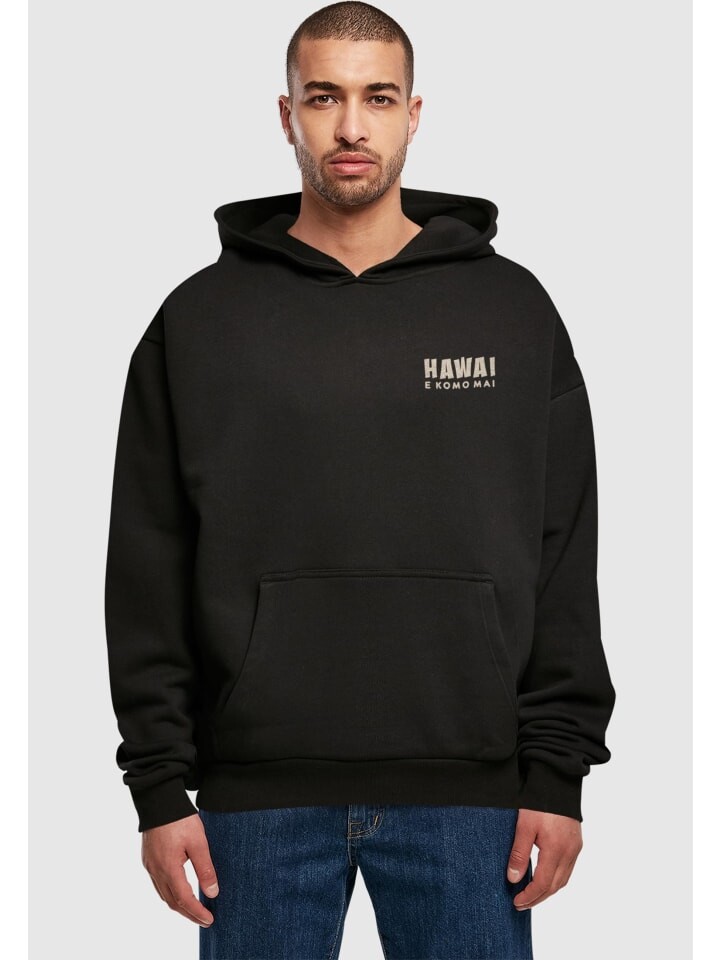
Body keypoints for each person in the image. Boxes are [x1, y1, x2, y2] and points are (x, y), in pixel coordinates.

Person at [103, 3, 616, 958]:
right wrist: (160, 787)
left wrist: (558, 772)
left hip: (474, 801)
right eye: (323, 97)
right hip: (254, 806)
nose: (350, 126)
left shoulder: (511, 310)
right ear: (286, 114)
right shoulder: (200, 321)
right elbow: (147, 564)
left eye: (377, 98)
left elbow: (562, 549)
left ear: (413, 114)